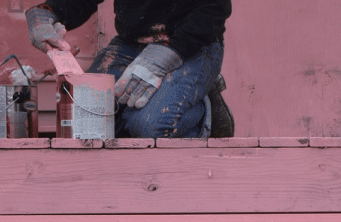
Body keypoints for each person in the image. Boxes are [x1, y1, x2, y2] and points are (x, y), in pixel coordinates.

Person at [26, 0, 233, 139]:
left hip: (191, 44)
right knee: (84, 123)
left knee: (149, 128)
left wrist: (173, 51)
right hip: (131, 43)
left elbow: (214, 8)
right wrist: (47, 12)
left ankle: (202, 107)